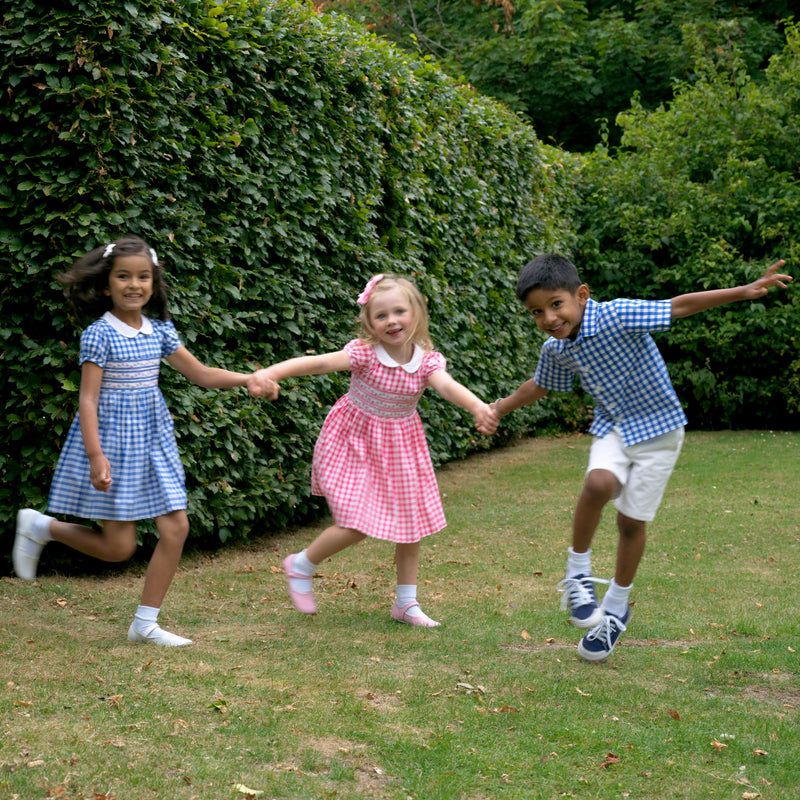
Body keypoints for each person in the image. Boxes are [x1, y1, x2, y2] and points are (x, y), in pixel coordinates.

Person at [493, 254, 791, 661]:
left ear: (581, 295)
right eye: (536, 312)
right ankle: (578, 572)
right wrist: (498, 408)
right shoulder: (558, 348)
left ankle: (616, 608)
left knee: (630, 522)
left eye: (555, 304)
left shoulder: (618, 315)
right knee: (598, 483)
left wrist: (744, 291)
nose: (548, 317)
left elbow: (679, 305)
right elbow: (540, 385)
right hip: (614, 426)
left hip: (661, 431)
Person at [12, 235, 277, 647]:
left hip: (153, 441)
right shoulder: (99, 334)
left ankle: (145, 623)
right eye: (123, 276)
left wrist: (248, 379)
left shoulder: (160, 331)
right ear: (106, 285)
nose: (133, 284)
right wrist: (95, 455)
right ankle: (41, 527)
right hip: (114, 445)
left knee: (176, 527)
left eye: (143, 277)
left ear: (153, 283)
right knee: (119, 548)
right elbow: (88, 399)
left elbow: (201, 374)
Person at [253, 273, 497, 627]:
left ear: (415, 313)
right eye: (381, 315)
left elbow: (447, 386)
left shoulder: (427, 361)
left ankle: (406, 604)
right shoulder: (365, 354)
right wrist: (271, 373)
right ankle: (301, 565)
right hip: (351, 442)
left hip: (401, 448)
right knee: (355, 523)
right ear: (369, 322)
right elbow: (318, 363)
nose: (391, 321)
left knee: (410, 525)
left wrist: (477, 407)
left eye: (399, 311)